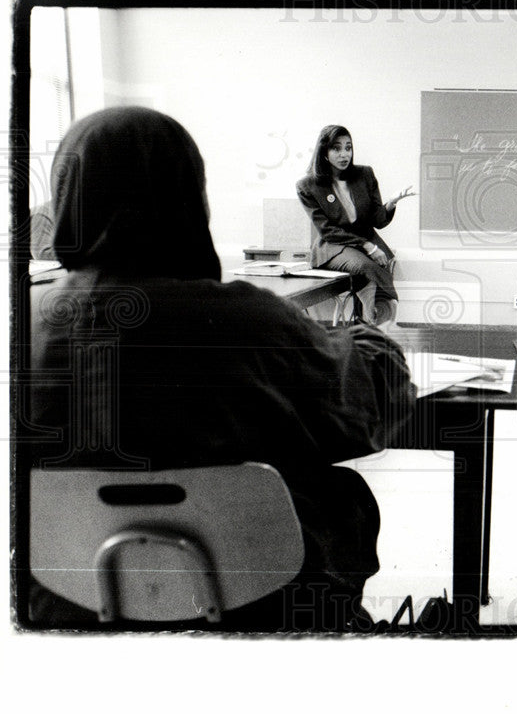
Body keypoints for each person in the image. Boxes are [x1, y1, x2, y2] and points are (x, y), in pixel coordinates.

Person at [27, 106, 415, 631]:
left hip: (64, 611)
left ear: (66, 200)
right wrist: (358, 337)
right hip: (264, 608)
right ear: (192, 199)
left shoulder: (22, 331)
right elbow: (369, 409)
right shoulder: (248, 319)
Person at [296, 125, 415, 325]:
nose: (344, 154)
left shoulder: (365, 175)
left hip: (367, 244)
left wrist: (392, 202)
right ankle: (381, 314)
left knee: (373, 269)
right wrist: (368, 246)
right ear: (324, 152)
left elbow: (378, 220)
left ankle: (374, 318)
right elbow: (327, 231)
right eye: (336, 148)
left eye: (348, 148)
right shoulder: (307, 186)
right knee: (365, 265)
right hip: (333, 247)